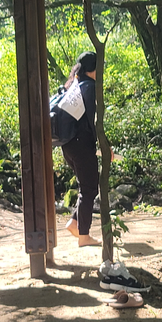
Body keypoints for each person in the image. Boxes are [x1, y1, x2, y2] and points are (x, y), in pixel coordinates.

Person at [62, 51, 103, 247]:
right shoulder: (89, 87)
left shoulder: (73, 85)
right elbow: (92, 121)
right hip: (81, 143)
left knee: (85, 186)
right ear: (94, 68)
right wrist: (102, 145)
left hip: (68, 144)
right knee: (89, 188)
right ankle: (84, 236)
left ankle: (75, 222)